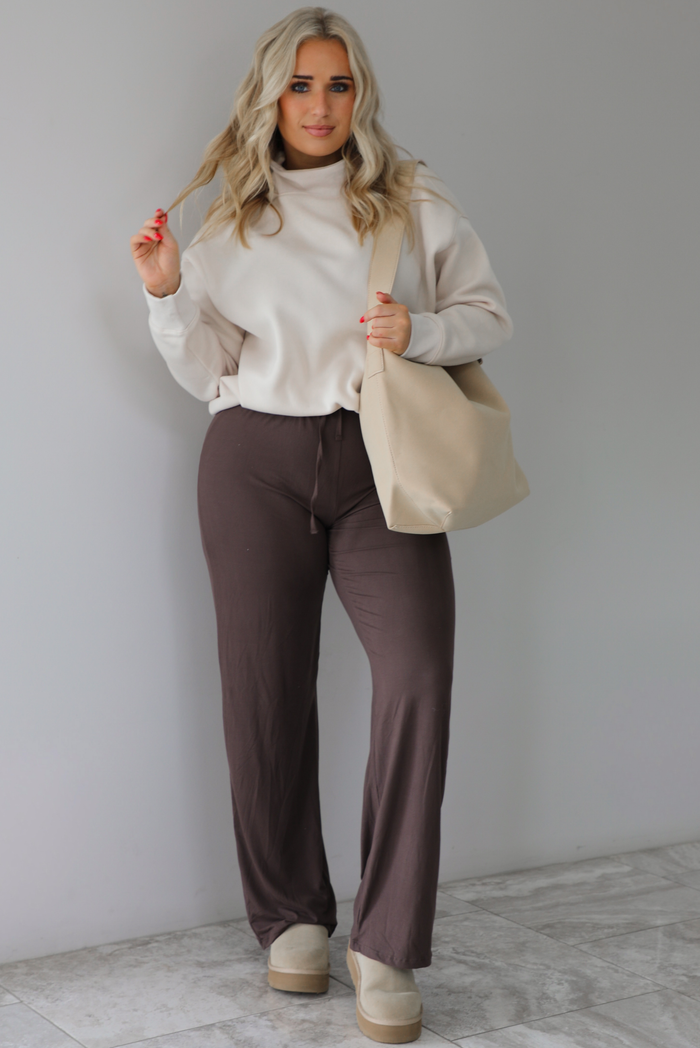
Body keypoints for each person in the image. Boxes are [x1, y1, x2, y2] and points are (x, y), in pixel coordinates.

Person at [130, 7, 513, 1043]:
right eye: (299, 85)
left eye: (337, 85)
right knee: (263, 692)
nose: (318, 104)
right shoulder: (230, 219)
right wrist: (168, 294)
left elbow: (486, 312)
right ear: (271, 96)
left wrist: (417, 328)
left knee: (418, 671)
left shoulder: (411, 200)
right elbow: (205, 365)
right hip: (250, 458)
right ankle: (290, 916)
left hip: (374, 458)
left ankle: (384, 941)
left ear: (360, 97)